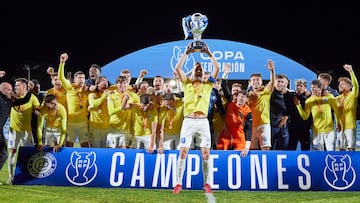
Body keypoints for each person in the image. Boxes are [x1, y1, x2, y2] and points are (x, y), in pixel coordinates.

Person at [172, 41, 219, 194]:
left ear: (204, 74)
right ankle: (178, 183)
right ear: (191, 73)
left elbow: (217, 68)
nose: (198, 70)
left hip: (203, 122)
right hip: (189, 122)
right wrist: (186, 53)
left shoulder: (208, 85)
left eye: (201, 69)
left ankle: (207, 184)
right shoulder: (186, 82)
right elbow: (177, 68)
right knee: (183, 152)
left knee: (206, 153)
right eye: (196, 68)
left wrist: (209, 54)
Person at [7, 77, 40, 184]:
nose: (15, 87)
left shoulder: (32, 97)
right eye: (15, 85)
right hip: (14, 130)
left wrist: (38, 112)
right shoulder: (11, 96)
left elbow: (38, 110)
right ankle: (10, 178)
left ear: (24, 86)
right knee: (12, 153)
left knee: (28, 154)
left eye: (17, 85)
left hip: (27, 131)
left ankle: (27, 177)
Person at [0, 74, 31, 184]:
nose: (12, 90)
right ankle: (10, 177)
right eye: (9, 89)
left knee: (4, 154)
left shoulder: (9, 101)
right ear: (2, 90)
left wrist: (30, 90)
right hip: (11, 131)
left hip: (24, 132)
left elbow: (24, 100)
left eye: (15, 86)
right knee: (6, 154)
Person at [294, 79, 341, 151]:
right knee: (318, 154)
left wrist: (338, 123)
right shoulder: (309, 101)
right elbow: (305, 116)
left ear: (320, 88)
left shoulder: (330, 97)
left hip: (329, 131)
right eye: (311, 87)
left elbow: (336, 111)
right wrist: (298, 106)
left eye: (315, 87)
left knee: (331, 152)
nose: (313, 89)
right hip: (317, 132)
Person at [58, 53, 90, 147]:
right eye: (79, 78)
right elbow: (61, 77)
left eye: (83, 78)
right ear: (74, 79)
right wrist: (62, 63)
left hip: (83, 123)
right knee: (68, 146)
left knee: (85, 146)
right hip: (71, 122)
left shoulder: (87, 90)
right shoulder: (70, 87)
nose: (82, 80)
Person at [247, 59, 275, 150]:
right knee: (252, 149)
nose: (256, 81)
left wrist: (272, 71)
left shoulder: (266, 92)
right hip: (251, 125)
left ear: (261, 82)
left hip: (264, 124)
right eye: (253, 80)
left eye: (258, 80)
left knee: (266, 149)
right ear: (250, 82)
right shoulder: (247, 96)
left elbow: (272, 83)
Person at [217, 90, 252, 157]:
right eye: (239, 96)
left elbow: (249, 130)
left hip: (238, 136)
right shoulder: (230, 104)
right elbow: (225, 89)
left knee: (243, 154)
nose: (240, 98)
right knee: (220, 154)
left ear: (247, 99)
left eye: (243, 97)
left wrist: (246, 147)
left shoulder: (248, 112)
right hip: (226, 134)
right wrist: (224, 79)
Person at [106, 76, 136, 148]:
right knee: (110, 152)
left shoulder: (131, 95)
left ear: (127, 84)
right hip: (113, 129)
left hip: (125, 130)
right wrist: (123, 105)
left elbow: (130, 107)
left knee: (123, 152)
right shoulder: (111, 95)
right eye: (119, 83)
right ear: (116, 84)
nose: (122, 85)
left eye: (124, 83)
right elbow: (111, 112)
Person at [336, 64, 358, 151]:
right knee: (341, 149)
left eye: (342, 84)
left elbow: (356, 86)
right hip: (340, 127)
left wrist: (351, 72)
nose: (340, 86)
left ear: (349, 86)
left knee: (351, 148)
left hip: (350, 127)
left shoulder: (352, 95)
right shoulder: (337, 98)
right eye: (339, 84)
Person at [285, 78, 312, 150]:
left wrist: (309, 93)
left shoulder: (309, 97)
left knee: (306, 150)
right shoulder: (291, 95)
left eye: (301, 86)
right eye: (297, 86)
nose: (299, 87)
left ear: (305, 87)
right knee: (291, 149)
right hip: (292, 129)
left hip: (305, 129)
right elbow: (285, 90)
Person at [88, 76, 110, 148]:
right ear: (97, 84)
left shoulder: (110, 94)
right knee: (95, 149)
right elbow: (93, 104)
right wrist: (104, 96)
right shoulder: (92, 94)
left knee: (105, 151)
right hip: (94, 127)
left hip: (106, 127)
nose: (105, 82)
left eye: (106, 81)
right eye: (102, 81)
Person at [270, 74, 290, 150]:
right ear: (274, 83)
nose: (280, 84)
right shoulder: (269, 92)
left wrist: (286, 117)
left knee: (283, 150)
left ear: (286, 84)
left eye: (282, 82)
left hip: (283, 127)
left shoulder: (289, 95)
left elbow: (291, 110)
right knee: (269, 150)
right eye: (278, 81)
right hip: (270, 127)